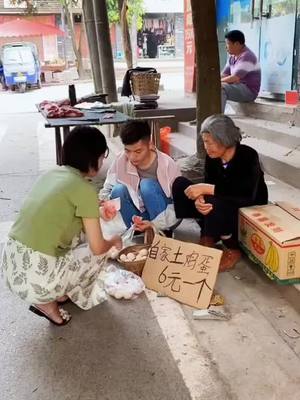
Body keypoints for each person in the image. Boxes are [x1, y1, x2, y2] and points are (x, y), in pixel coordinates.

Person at [0, 126, 122, 326]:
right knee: (100, 250)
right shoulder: (85, 189)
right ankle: (47, 301)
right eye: (102, 156)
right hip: (34, 281)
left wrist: (98, 212)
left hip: (11, 265)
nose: (102, 161)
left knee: (79, 238)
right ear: (94, 158)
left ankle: (59, 290)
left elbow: (61, 217)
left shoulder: (52, 174)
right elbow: (98, 247)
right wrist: (114, 241)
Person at [172, 114, 268, 271]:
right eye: (204, 142)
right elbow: (210, 185)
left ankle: (232, 248)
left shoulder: (248, 155)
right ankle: (208, 235)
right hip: (219, 205)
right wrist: (199, 198)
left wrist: (205, 189)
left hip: (245, 207)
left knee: (215, 202)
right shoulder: (212, 158)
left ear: (224, 139)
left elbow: (246, 193)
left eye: (210, 142)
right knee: (180, 184)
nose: (206, 147)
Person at [99, 120, 181, 233]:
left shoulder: (167, 164)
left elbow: (179, 204)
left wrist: (156, 224)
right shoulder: (121, 160)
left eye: (138, 151)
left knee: (146, 185)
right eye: (127, 151)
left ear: (150, 144)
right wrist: (103, 202)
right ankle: (135, 230)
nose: (132, 157)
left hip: (164, 218)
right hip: (139, 216)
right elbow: (107, 188)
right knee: (118, 190)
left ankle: (160, 233)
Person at [221, 30, 261, 112]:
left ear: (237, 44)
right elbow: (224, 75)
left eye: (228, 44)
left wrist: (216, 83)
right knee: (212, 87)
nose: (226, 47)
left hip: (249, 92)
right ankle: (207, 115)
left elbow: (235, 78)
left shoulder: (247, 56)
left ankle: (217, 118)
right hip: (238, 88)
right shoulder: (232, 57)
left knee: (221, 88)